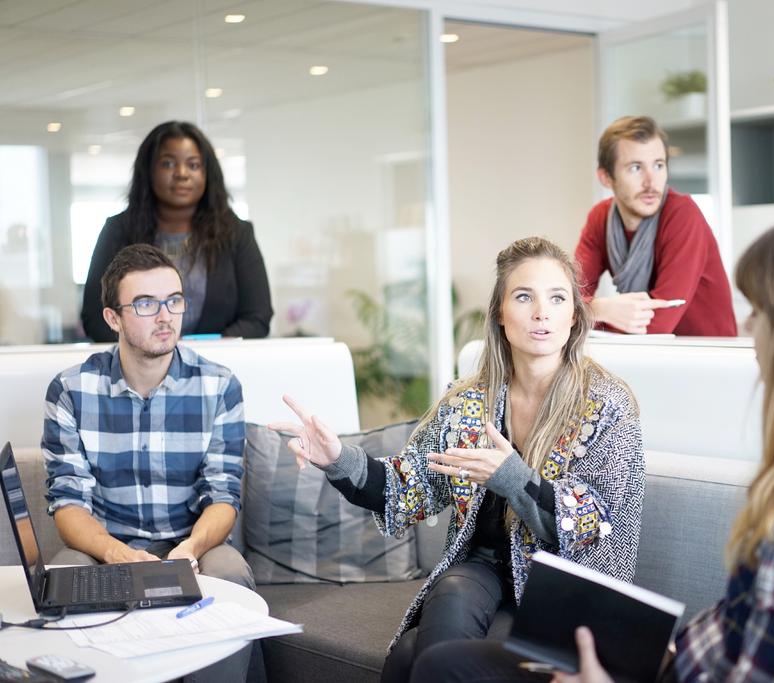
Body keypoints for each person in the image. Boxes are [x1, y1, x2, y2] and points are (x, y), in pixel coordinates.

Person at [421, 219, 774, 683]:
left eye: (761, 312)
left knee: (441, 668)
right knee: (431, 659)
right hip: (673, 660)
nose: (750, 328)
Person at [270, 237, 645, 682]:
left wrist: (511, 477)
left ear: (574, 317)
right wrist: (336, 458)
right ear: (501, 316)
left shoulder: (607, 405)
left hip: (565, 589)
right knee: (450, 592)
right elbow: (405, 487)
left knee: (413, 654)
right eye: (524, 297)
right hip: (483, 570)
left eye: (557, 298)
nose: (542, 311)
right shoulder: (469, 402)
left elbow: (593, 527)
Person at [43, 245, 253, 591]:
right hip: (105, 544)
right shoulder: (71, 390)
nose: (165, 316)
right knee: (63, 575)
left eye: (174, 300)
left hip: (191, 542)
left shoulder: (219, 386)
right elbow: (68, 502)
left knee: (230, 572)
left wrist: (190, 549)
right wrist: (116, 553)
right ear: (113, 318)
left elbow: (223, 495)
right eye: (145, 304)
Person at [81, 121, 273, 342]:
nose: (182, 174)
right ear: (148, 170)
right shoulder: (117, 232)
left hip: (218, 366)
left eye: (193, 165)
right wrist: (151, 350)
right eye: (168, 164)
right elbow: (95, 319)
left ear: (207, 173)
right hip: (138, 370)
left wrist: (205, 353)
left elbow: (257, 318)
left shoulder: (237, 234)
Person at [574, 115, 736, 336]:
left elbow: (657, 324)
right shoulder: (600, 218)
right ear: (606, 177)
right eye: (635, 168)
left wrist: (587, 313)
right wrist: (599, 308)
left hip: (706, 357)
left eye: (658, 165)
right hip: (647, 356)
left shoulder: (682, 214)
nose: (651, 182)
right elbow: (566, 300)